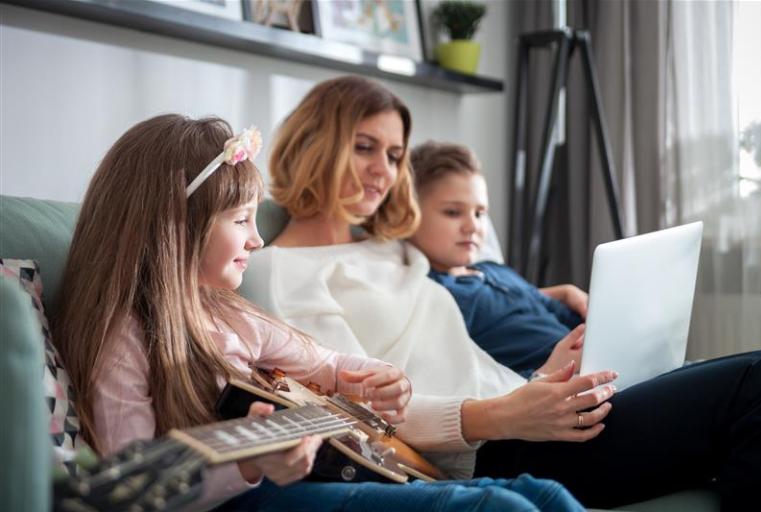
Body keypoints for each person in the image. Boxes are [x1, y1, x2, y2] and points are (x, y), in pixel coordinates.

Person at [240, 75, 761, 511]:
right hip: (491, 449)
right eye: (364, 147)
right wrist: (507, 415)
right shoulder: (279, 272)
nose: (385, 171)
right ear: (314, 144)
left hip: (525, 412)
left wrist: (540, 374)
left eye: (396, 155)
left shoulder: (391, 247)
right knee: (758, 383)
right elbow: (352, 415)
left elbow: (458, 309)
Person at [52, 113, 585, 512]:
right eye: (241, 221)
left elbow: (328, 365)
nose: (258, 239)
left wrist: (368, 378)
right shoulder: (124, 337)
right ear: (175, 225)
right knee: (501, 507)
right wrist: (249, 461)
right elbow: (139, 481)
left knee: (543, 493)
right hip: (240, 505)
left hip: (299, 480)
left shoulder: (232, 315)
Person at [409, 140, 586, 377]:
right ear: (409, 214)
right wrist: (551, 372)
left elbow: (558, 313)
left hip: (600, 365)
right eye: (453, 212)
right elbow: (478, 387)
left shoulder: (493, 270)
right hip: (565, 390)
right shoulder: (441, 298)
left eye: (479, 213)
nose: (473, 226)